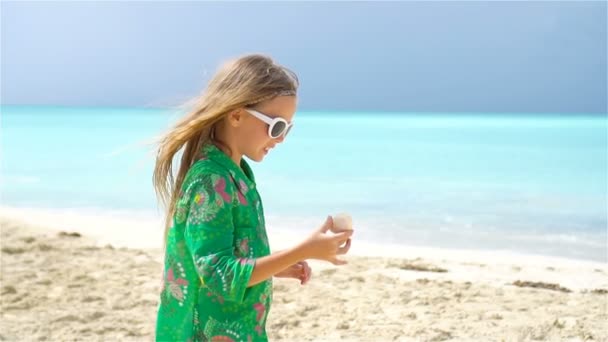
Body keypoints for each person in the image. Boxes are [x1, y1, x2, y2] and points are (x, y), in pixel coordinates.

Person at [153, 54, 354, 342]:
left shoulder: (238, 172)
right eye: (276, 126)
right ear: (236, 115)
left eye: (288, 128)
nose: (282, 138)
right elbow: (218, 275)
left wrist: (274, 265)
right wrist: (303, 250)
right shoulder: (210, 181)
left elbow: (230, 253)